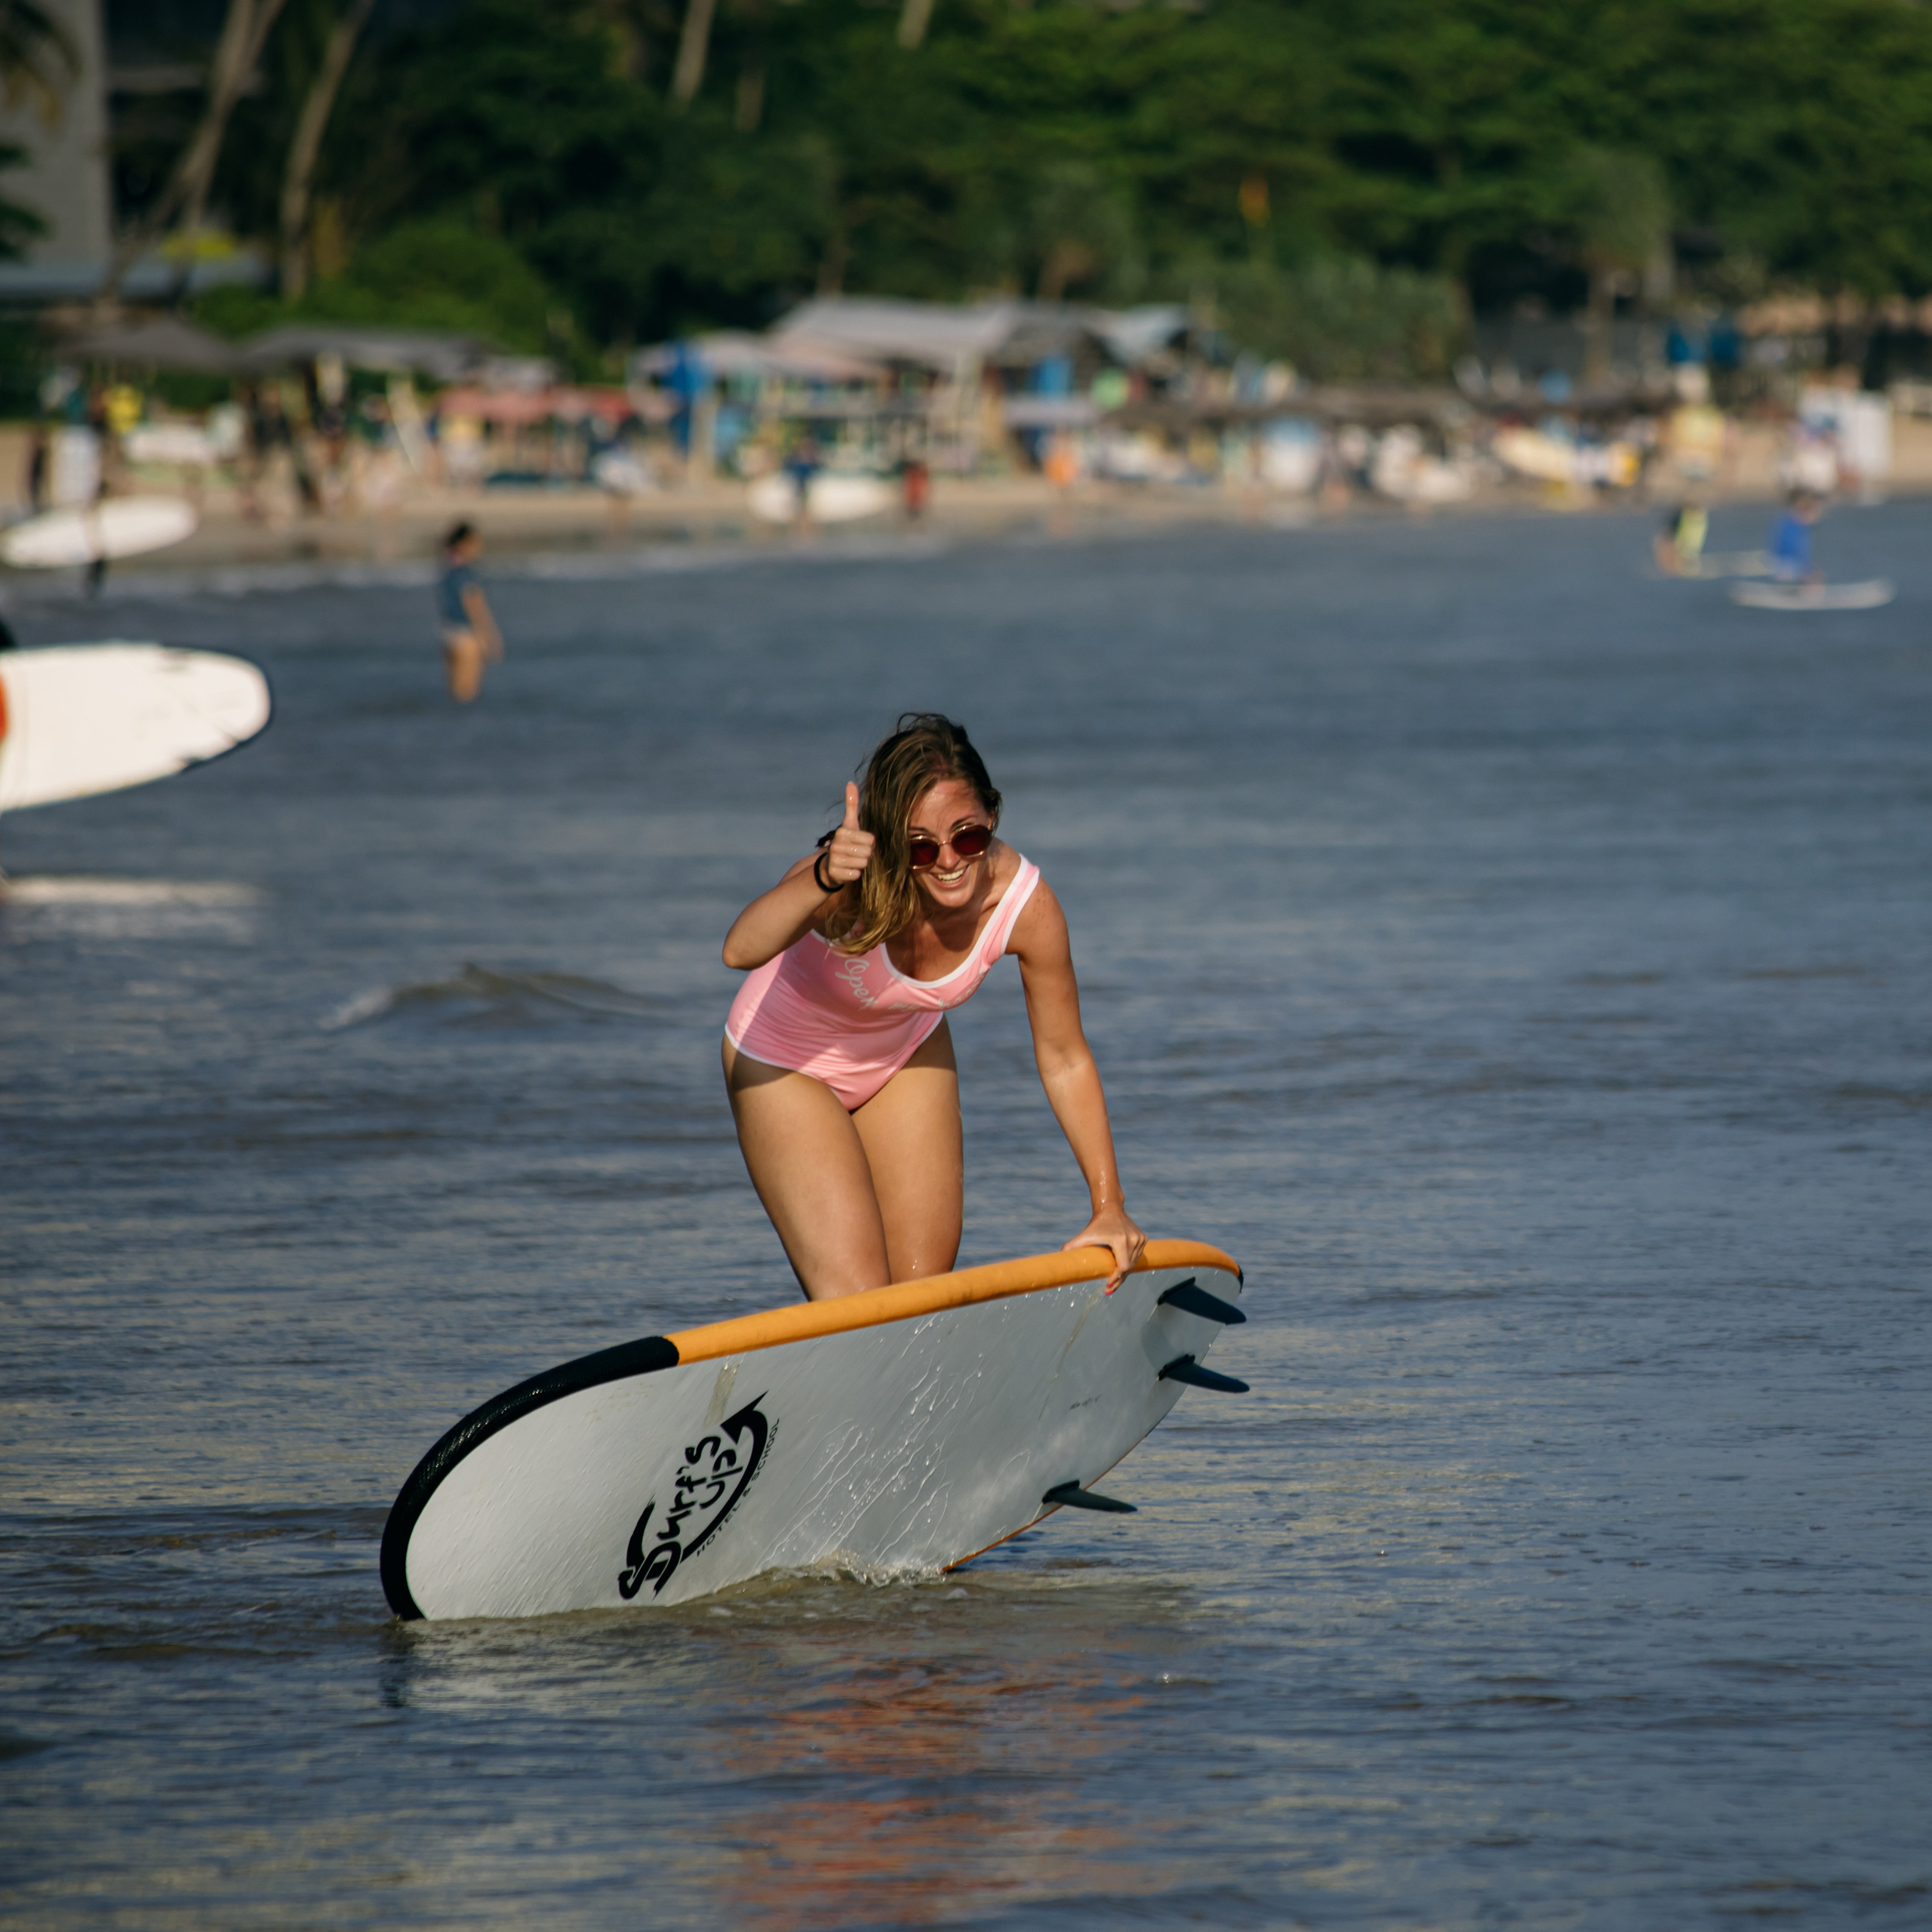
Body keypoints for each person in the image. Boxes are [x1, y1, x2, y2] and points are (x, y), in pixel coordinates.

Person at [721, 713, 1146, 1303]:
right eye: (920, 847)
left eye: (967, 837)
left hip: (903, 1053)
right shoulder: (851, 885)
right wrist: (823, 876)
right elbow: (739, 950)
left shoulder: (1025, 906)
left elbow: (1065, 1058)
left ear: (992, 814)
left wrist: (1109, 1205)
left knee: (921, 1293)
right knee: (858, 1299)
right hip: (784, 1060)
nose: (948, 861)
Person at [436, 522, 504, 703]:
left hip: (447, 632)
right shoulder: (467, 573)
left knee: (454, 692)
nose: (478, 548)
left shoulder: (448, 568)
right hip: (466, 635)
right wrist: (489, 638)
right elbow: (475, 606)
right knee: (468, 692)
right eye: (475, 543)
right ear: (465, 544)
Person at [1769, 491, 1822, 583]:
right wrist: (1807, 571)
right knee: (1814, 582)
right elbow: (1792, 551)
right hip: (1787, 568)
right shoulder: (1794, 526)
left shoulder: (1788, 522)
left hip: (1785, 566)